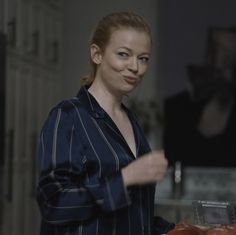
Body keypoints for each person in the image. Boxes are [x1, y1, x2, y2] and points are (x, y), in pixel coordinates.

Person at [36, 11, 174, 235]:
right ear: (97, 54)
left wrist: (189, 230)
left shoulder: (131, 121)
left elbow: (134, 215)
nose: (135, 67)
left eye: (143, 58)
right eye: (123, 54)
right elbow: (54, 203)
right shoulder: (68, 116)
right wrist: (126, 178)